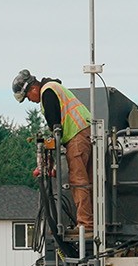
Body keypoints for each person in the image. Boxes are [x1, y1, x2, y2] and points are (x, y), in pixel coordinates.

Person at [13, 70, 93, 234]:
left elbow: (57, 130)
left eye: (28, 97)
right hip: (86, 133)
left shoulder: (47, 93)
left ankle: (86, 224)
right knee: (90, 181)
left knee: (78, 181)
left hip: (77, 135)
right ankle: (92, 221)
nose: (31, 100)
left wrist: (50, 161)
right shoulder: (53, 88)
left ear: (32, 88)